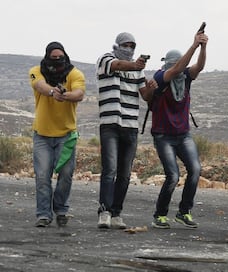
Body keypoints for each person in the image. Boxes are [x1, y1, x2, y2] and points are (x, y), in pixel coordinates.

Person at [96, 32, 158, 229]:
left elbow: (145, 96)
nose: (129, 49)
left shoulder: (137, 70)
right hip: (110, 123)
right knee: (110, 170)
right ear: (117, 45)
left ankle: (116, 213)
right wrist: (135, 65)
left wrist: (152, 88)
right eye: (126, 45)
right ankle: (104, 211)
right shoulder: (106, 59)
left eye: (132, 45)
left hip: (130, 125)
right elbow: (118, 66)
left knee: (124, 173)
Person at [149, 28, 208, 229]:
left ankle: (184, 212)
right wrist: (193, 45)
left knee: (195, 170)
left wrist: (203, 46)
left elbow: (198, 66)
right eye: (176, 64)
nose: (179, 67)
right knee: (172, 175)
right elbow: (175, 70)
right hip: (163, 136)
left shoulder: (185, 79)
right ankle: (160, 214)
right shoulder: (161, 76)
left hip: (183, 135)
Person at [29, 41, 85, 227]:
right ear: (46, 57)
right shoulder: (36, 70)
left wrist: (65, 95)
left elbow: (79, 93)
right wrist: (53, 93)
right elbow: (40, 85)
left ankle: (61, 209)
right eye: (53, 58)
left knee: (66, 174)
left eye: (60, 58)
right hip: (42, 134)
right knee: (42, 175)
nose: (57, 62)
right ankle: (44, 214)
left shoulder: (74, 73)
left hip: (66, 135)